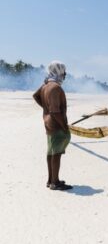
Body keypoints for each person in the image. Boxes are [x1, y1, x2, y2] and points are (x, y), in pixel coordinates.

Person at [33, 61, 73, 191]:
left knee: (50, 152)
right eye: (63, 71)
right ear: (58, 71)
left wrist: (45, 108)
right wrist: (65, 127)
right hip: (56, 125)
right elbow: (55, 111)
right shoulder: (55, 87)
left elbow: (35, 96)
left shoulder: (46, 85)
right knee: (56, 154)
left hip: (48, 123)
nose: (65, 74)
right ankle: (55, 182)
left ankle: (50, 180)